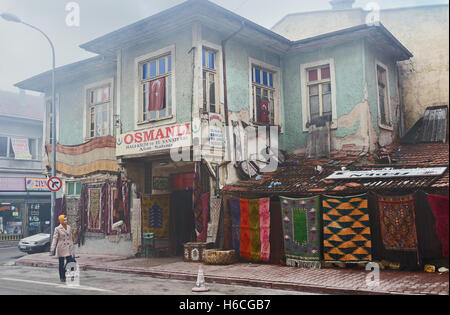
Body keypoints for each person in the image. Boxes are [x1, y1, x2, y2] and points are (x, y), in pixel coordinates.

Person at [50, 215, 76, 282]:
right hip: (61, 247)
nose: (66, 221)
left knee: (71, 261)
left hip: (69, 246)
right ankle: (62, 277)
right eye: (64, 220)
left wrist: (72, 247)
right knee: (61, 263)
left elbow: (71, 238)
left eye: (66, 220)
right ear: (61, 220)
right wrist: (52, 248)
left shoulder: (69, 227)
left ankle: (71, 275)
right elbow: (55, 239)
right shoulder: (57, 228)